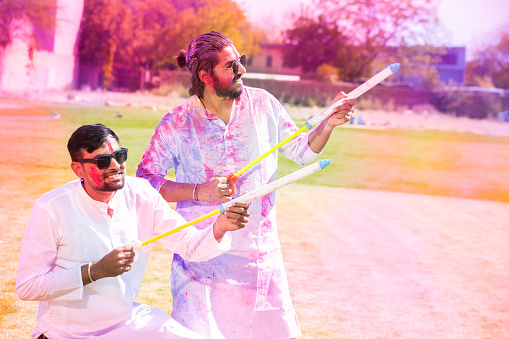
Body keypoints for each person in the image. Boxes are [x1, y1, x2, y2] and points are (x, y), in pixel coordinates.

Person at [136, 31, 356, 338]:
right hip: (201, 264)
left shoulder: (263, 103)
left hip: (259, 259)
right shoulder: (177, 122)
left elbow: (302, 152)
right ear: (205, 76)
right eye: (231, 65)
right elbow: (146, 181)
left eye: (240, 61)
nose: (241, 70)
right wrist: (199, 190)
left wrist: (329, 122)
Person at [16, 124, 250, 339]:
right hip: (66, 333)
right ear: (78, 169)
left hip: (127, 323)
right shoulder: (52, 207)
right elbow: (28, 287)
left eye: (119, 156)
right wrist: (94, 271)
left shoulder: (140, 193)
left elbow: (189, 244)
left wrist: (220, 228)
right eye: (102, 161)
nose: (116, 166)